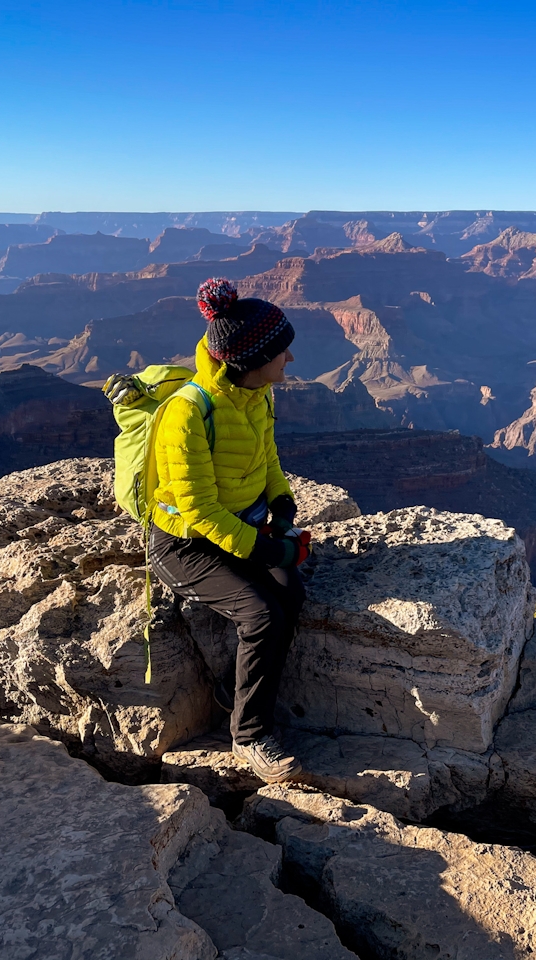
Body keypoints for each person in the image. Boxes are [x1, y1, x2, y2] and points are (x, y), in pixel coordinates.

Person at [148, 277, 306, 783]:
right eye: (282, 352)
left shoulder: (257, 395)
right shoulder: (188, 412)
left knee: (291, 594)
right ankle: (250, 737)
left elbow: (267, 460)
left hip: (240, 528)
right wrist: (264, 551)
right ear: (251, 359)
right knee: (260, 614)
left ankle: (236, 691)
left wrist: (281, 505)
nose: (290, 361)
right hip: (183, 546)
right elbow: (197, 509)